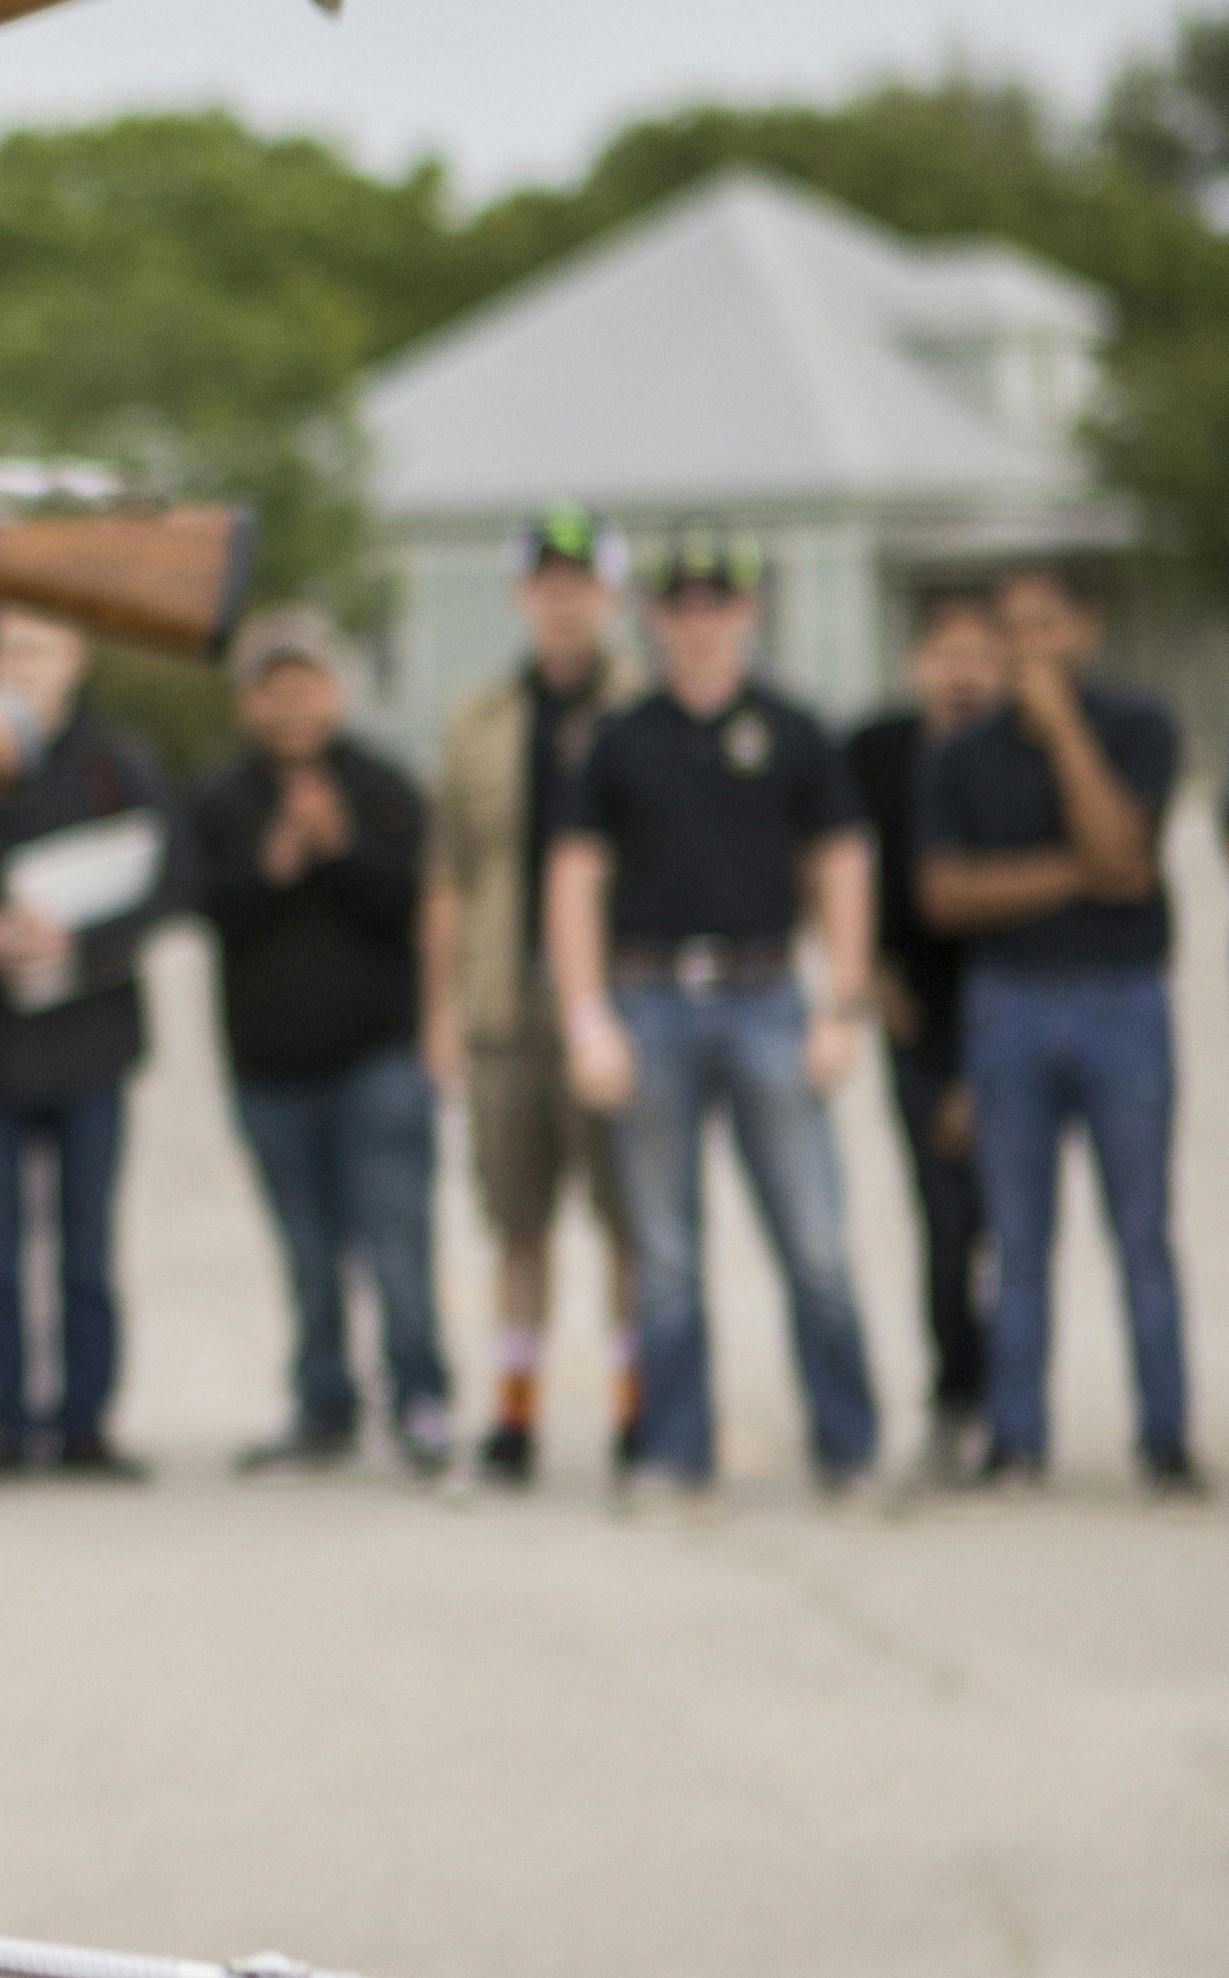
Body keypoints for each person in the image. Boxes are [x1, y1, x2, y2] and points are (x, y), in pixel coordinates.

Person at [543, 532, 880, 1497]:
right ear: (655, 618)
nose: (699, 622)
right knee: (665, 1255)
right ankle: (675, 1452)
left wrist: (843, 1002)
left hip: (768, 996)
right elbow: (575, 879)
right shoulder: (620, 737)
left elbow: (843, 863)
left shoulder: (794, 729)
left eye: (718, 602)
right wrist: (585, 1016)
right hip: (651, 1000)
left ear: (747, 612)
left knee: (814, 1242)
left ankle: (849, 1448)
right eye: (681, 604)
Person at [916, 562, 1195, 1493]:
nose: (1027, 648)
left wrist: (1064, 731)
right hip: (1011, 1005)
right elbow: (947, 892)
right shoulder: (960, 756)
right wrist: (1076, 874)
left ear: (1083, 628)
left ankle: (1162, 1437)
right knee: (1018, 1238)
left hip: (1122, 1000)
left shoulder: (1136, 728)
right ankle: (1016, 1436)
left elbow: (1128, 855)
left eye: (1044, 627)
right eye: (1010, 631)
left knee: (1141, 1230)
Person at [176, 605, 449, 1473]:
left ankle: (422, 1401)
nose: (293, 706)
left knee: (396, 1244)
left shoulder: (383, 787)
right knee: (307, 1253)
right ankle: (322, 1404)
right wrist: (274, 863)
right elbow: (204, 909)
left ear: (335, 693)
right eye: (275, 689)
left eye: (308, 686)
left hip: (378, 1059)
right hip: (270, 1068)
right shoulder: (221, 797)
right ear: (248, 702)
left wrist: (340, 849)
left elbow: (412, 904)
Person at [0, 611, 163, 1477]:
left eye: (39, 649)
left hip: (91, 1041)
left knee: (86, 1249)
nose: (22, 666)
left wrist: (79, 946)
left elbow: (169, 881)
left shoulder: (114, 763)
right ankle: (7, 1421)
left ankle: (85, 1423)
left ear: (76, 659)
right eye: (8, 651)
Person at [421, 510, 638, 1487]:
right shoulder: (479, 718)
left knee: (629, 1219)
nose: (563, 603)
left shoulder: (645, 709)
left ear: (609, 596)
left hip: (616, 999)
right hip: (504, 996)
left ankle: (638, 1409)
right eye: (546, 586)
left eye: (580, 584)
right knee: (515, 1217)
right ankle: (514, 1414)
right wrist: (439, 1010)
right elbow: (450, 874)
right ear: (522, 598)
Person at [845, 585, 1004, 1475]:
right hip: (919, 1014)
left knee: (1011, 1218)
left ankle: (1012, 1407)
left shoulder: (1019, 753)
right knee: (944, 1219)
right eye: (947, 655)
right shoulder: (876, 751)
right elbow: (832, 861)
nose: (963, 673)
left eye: (980, 655)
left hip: (1012, 1009)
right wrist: (864, 969)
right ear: (917, 665)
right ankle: (956, 1393)